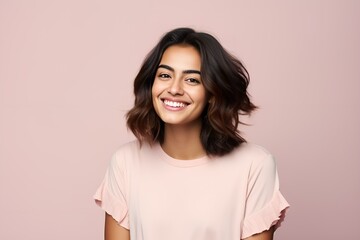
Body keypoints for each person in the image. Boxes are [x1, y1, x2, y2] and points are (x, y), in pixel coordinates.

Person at [94, 27, 289, 240]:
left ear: (213, 93)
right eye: (165, 75)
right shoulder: (125, 162)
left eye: (192, 80)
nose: (174, 89)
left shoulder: (255, 165)